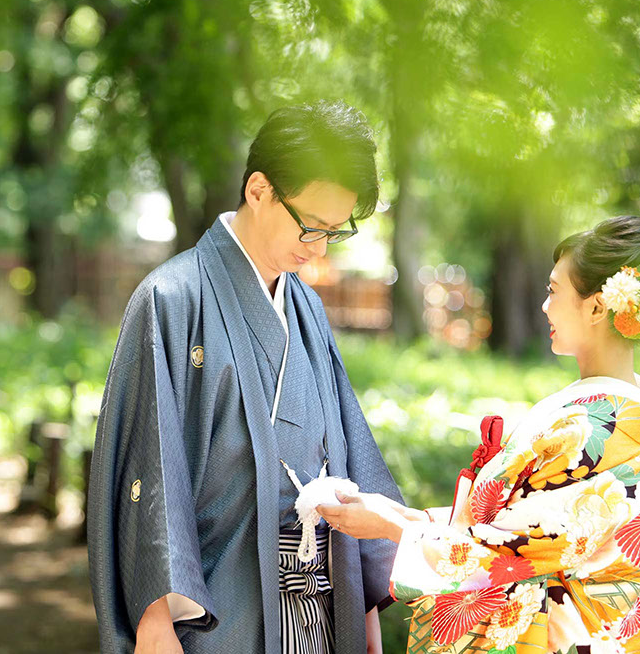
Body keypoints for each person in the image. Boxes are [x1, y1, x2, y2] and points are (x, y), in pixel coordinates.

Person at [88, 100, 403, 654]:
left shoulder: (306, 308)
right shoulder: (172, 298)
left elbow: (348, 456)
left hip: (321, 611)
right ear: (259, 190)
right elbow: (149, 469)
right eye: (310, 225)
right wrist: (156, 620)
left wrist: (364, 608)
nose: (318, 248)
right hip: (220, 611)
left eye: (334, 232)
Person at [320, 216, 640, 653]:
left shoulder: (587, 430)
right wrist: (410, 519)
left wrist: (391, 526)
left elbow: (513, 551)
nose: (544, 306)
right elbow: (525, 527)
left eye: (553, 290)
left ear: (598, 308)